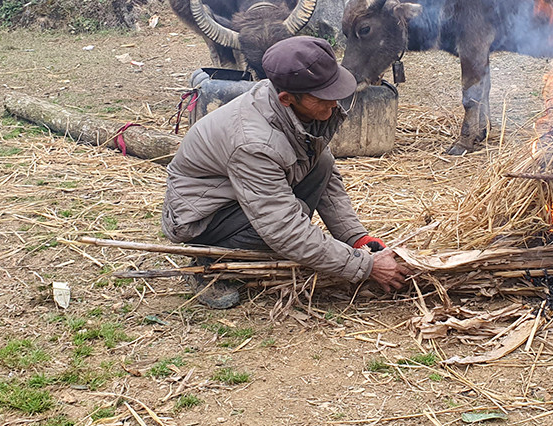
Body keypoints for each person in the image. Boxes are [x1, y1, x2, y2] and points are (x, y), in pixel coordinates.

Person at [161, 36, 410, 308]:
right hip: (204, 218)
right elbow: (283, 228)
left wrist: (357, 238)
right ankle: (211, 260)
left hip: (239, 194)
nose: (334, 104)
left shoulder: (293, 106)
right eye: (324, 98)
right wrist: (364, 266)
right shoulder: (254, 143)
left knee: (322, 163)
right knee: (293, 219)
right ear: (286, 98)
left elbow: (326, 180)